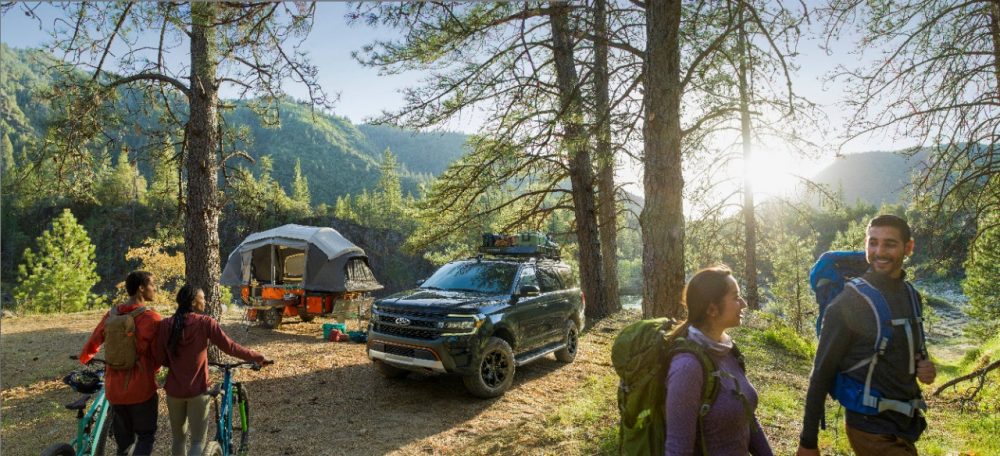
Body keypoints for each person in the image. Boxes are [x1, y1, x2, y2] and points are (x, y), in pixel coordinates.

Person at [797, 215, 937, 456]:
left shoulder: (911, 296)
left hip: (904, 424)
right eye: (873, 242)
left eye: (889, 244)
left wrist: (925, 367)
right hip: (869, 426)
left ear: (909, 247)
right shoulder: (850, 302)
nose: (879, 251)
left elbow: (911, 352)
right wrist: (808, 441)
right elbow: (821, 372)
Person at [664, 266, 773, 455]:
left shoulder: (728, 350)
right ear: (713, 309)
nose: (744, 304)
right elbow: (677, 449)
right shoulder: (687, 367)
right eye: (736, 297)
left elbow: (748, 418)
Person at [155, 284, 272, 456]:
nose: (206, 301)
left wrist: (176, 365)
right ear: (194, 302)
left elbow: (160, 357)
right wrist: (258, 356)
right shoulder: (205, 323)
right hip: (198, 390)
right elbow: (230, 347)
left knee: (178, 440)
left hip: (173, 392)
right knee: (197, 441)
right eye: (202, 298)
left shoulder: (165, 324)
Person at [80, 271, 163, 456]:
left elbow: (94, 340)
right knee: (145, 436)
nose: (154, 288)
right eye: (152, 284)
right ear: (141, 288)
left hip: (114, 389)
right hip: (141, 388)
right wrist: (154, 370)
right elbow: (158, 354)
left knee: (123, 443)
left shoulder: (112, 314)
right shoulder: (152, 318)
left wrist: (85, 358)